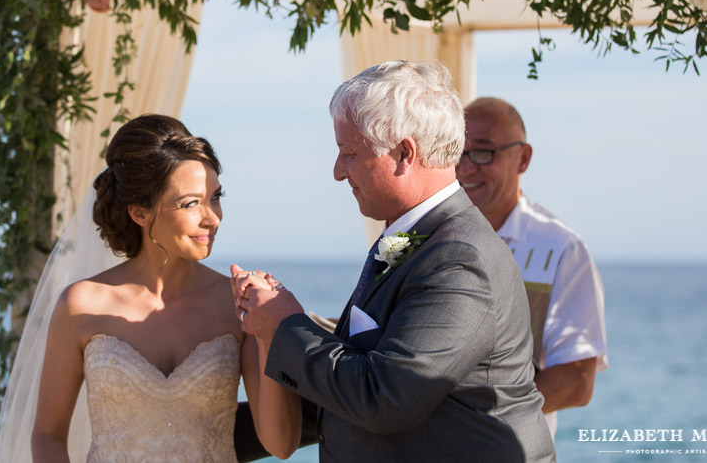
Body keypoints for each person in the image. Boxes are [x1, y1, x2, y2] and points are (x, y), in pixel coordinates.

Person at [232, 61, 556, 462]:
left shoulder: (459, 258)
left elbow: (386, 399)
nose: (337, 172)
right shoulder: (412, 236)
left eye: (349, 152)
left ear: (405, 153)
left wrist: (284, 324)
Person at [0, 114, 300, 462]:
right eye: (190, 203)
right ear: (140, 212)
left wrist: (269, 331)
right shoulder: (80, 304)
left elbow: (281, 444)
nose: (212, 217)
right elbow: (48, 434)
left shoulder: (234, 304)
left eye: (215, 197)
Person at [458, 97, 608, 438]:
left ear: (522, 158)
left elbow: (577, 379)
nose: (465, 168)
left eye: (483, 152)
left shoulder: (560, 248)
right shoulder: (423, 235)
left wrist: (473, 425)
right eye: (456, 152)